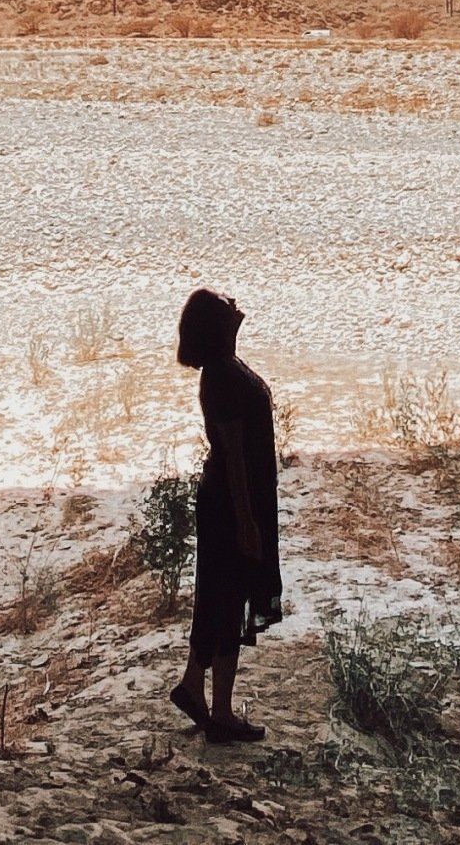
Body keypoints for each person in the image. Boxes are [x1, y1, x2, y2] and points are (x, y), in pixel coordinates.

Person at [168, 287, 282, 744]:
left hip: (233, 499)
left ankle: (197, 689)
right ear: (217, 326)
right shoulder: (222, 377)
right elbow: (233, 455)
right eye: (226, 306)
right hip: (231, 502)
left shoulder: (224, 370)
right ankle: (219, 711)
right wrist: (247, 520)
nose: (237, 307)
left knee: (219, 599)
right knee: (227, 600)